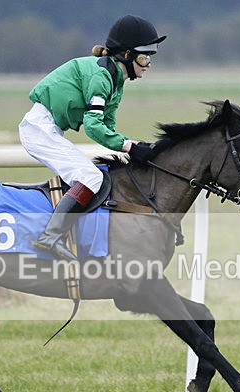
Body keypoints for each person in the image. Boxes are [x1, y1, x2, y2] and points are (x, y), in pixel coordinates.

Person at [20, 14, 166, 262]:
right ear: (127, 55)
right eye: (144, 56)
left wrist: (132, 145)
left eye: (151, 57)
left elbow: (107, 126)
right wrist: (129, 146)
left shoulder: (114, 80)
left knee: (95, 175)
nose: (148, 63)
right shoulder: (101, 77)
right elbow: (93, 127)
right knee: (90, 176)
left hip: (48, 129)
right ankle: (50, 236)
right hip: (39, 129)